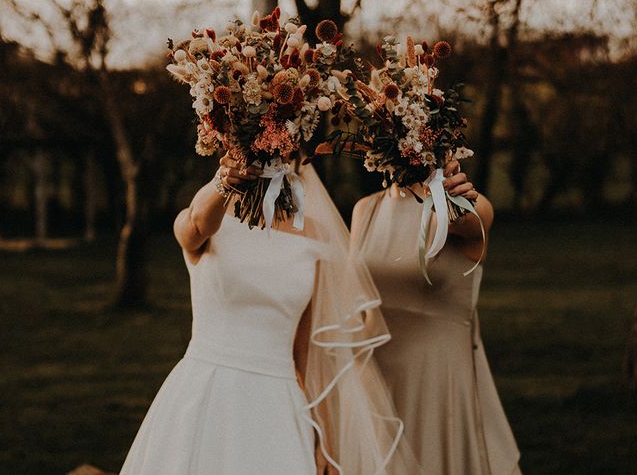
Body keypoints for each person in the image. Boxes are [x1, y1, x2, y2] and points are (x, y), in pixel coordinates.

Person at [120, 153, 417, 475]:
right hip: (206, 394)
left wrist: (324, 437)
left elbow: (305, 350)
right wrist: (224, 179)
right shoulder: (204, 220)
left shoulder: (315, 237)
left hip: (278, 404)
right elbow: (195, 224)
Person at [350, 159, 521, 475]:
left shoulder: (469, 205)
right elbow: (355, 302)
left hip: (437, 382)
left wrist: (451, 197)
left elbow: (469, 222)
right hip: (375, 382)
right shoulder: (366, 209)